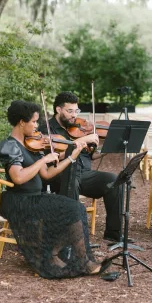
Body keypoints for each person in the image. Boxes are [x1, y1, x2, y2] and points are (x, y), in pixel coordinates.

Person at [0, 100, 104, 278]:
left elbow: (47, 174)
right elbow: (18, 177)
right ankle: (80, 261)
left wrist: (72, 156)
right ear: (21, 122)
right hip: (19, 200)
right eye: (33, 121)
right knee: (69, 209)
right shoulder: (10, 145)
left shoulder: (31, 143)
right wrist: (42, 160)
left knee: (76, 206)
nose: (36, 125)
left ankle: (69, 255)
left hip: (36, 197)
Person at [38, 91, 122, 242]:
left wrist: (107, 149)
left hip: (84, 174)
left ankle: (114, 234)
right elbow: (51, 158)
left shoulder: (78, 128)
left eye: (76, 111)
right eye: (69, 111)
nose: (74, 115)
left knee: (114, 180)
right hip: (61, 174)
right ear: (58, 109)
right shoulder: (47, 129)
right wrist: (81, 140)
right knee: (72, 180)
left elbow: (91, 155)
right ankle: (73, 235)